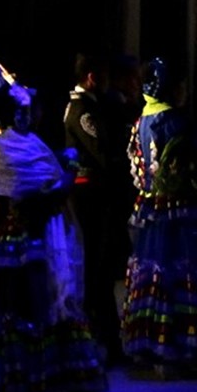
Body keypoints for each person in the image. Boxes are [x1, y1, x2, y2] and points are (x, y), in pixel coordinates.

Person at [0, 62, 107, 392]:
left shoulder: (14, 149)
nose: (28, 116)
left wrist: (60, 176)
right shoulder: (5, 150)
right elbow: (45, 195)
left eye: (29, 110)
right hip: (24, 248)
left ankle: (23, 381)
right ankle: (26, 381)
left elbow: (17, 195)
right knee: (26, 310)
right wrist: (69, 171)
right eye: (22, 111)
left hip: (15, 247)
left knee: (23, 310)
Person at [122, 57, 197, 372]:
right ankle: (186, 344)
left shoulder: (140, 122)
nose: (185, 90)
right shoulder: (177, 123)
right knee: (185, 273)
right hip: (181, 212)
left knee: (153, 274)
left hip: (150, 212)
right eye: (181, 85)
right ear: (169, 88)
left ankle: (151, 343)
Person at [63, 52, 126, 367]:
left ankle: (104, 338)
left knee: (98, 269)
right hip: (90, 195)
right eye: (103, 75)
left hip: (94, 195)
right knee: (95, 271)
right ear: (90, 77)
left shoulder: (89, 106)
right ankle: (98, 340)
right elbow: (101, 150)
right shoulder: (81, 110)